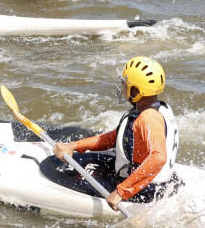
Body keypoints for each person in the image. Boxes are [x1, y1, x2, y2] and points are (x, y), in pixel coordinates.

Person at [53, 57, 179, 212]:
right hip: (151, 182)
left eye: (125, 84)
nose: (122, 87)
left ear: (136, 91)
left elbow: (158, 158)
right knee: (87, 159)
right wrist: (75, 145)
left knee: (70, 175)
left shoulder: (149, 117)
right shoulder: (157, 108)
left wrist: (121, 192)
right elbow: (114, 138)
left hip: (144, 190)